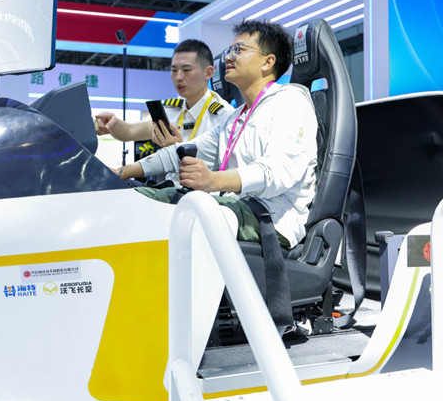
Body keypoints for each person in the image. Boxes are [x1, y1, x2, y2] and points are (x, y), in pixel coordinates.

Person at [117, 20, 317, 249]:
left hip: (270, 218)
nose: (228, 58)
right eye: (229, 50)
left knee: (166, 207)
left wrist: (213, 180)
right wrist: (121, 173)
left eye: (239, 50)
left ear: (267, 62)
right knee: (137, 196)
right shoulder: (236, 118)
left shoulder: (290, 101)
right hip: (234, 207)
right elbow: (178, 153)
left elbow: (278, 172)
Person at [93, 39, 231, 164]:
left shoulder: (225, 116)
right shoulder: (170, 109)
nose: (178, 77)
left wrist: (176, 150)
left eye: (186, 70)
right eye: (174, 70)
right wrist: (112, 123)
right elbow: (130, 131)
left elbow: (227, 170)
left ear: (208, 73)